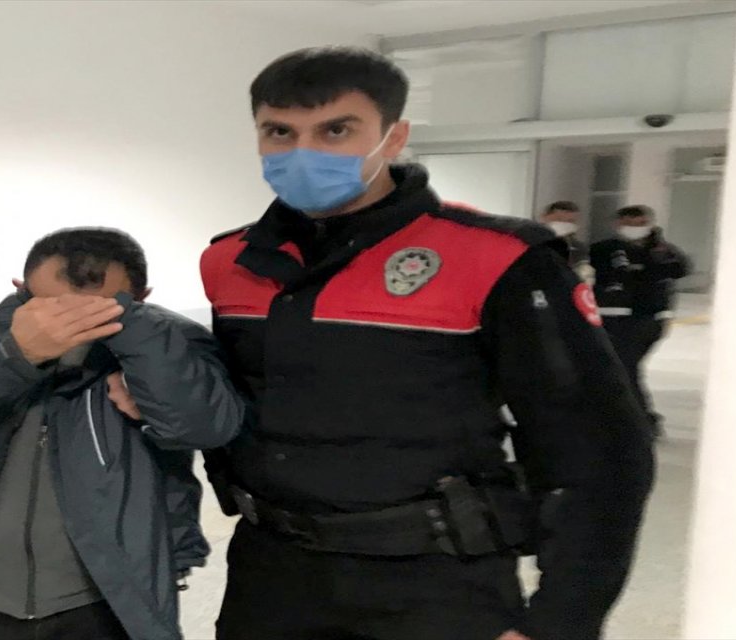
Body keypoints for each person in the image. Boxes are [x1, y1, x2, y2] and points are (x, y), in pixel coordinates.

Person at [200, 47, 654, 640]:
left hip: (432, 582)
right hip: (271, 576)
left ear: (394, 137)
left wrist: (561, 619)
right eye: (279, 132)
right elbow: (228, 403)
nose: (303, 151)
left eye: (336, 130)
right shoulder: (230, 261)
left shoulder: (499, 257)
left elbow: (597, 446)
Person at [0, 228, 243, 640]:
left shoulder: (168, 343)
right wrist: (14, 354)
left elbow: (206, 426)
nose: (67, 326)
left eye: (97, 310)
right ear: (20, 290)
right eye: (49, 306)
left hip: (113, 598)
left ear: (140, 300)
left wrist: (135, 336)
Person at [590, 205, 691, 436]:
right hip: (613, 317)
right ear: (618, 224)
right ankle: (633, 417)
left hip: (649, 318)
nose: (635, 228)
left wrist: (650, 256)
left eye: (640, 224)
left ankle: (640, 419)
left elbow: (679, 269)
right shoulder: (604, 249)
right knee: (623, 367)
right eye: (629, 224)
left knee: (626, 366)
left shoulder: (662, 250)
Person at [538, 200, 593, 284]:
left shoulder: (578, 247)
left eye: (570, 221)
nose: (564, 224)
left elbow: (582, 270)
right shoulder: (530, 242)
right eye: (559, 219)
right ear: (544, 217)